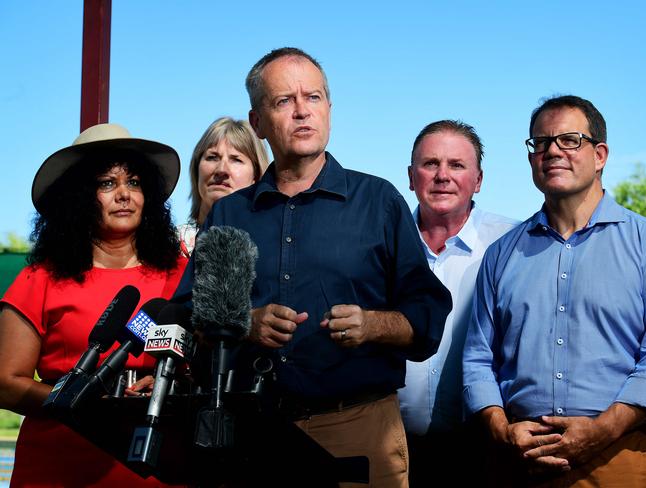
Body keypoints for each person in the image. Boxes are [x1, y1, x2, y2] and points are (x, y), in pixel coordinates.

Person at [174, 47, 451, 487]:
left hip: (358, 432)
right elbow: (190, 317)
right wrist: (242, 324)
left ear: (330, 108)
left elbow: (428, 316)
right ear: (258, 122)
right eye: (284, 101)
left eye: (314, 97)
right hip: (251, 436)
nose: (303, 111)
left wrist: (373, 324)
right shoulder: (231, 215)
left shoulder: (378, 202)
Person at [463, 95, 646, 487]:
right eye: (540, 142)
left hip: (621, 459)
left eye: (569, 139)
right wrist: (501, 429)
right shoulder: (502, 254)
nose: (551, 151)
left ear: (600, 155)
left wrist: (603, 430)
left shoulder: (644, 244)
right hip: (520, 462)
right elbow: (478, 358)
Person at [0, 123, 187, 487]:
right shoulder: (40, 277)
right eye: (107, 183)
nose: (124, 195)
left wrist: (174, 385)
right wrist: (84, 402)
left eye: (134, 183)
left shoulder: (181, 274)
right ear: (79, 197)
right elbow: (6, 383)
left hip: (155, 467)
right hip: (59, 467)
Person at [398, 120, 518, 487]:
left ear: (478, 180)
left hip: (483, 449)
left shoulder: (513, 242)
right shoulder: (383, 242)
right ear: (410, 176)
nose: (442, 176)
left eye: (456, 165)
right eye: (430, 163)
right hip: (394, 447)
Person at [178, 117, 269, 257]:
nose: (221, 170)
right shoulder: (165, 247)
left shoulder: (271, 247)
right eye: (212, 157)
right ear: (196, 169)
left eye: (236, 159)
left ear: (256, 176)